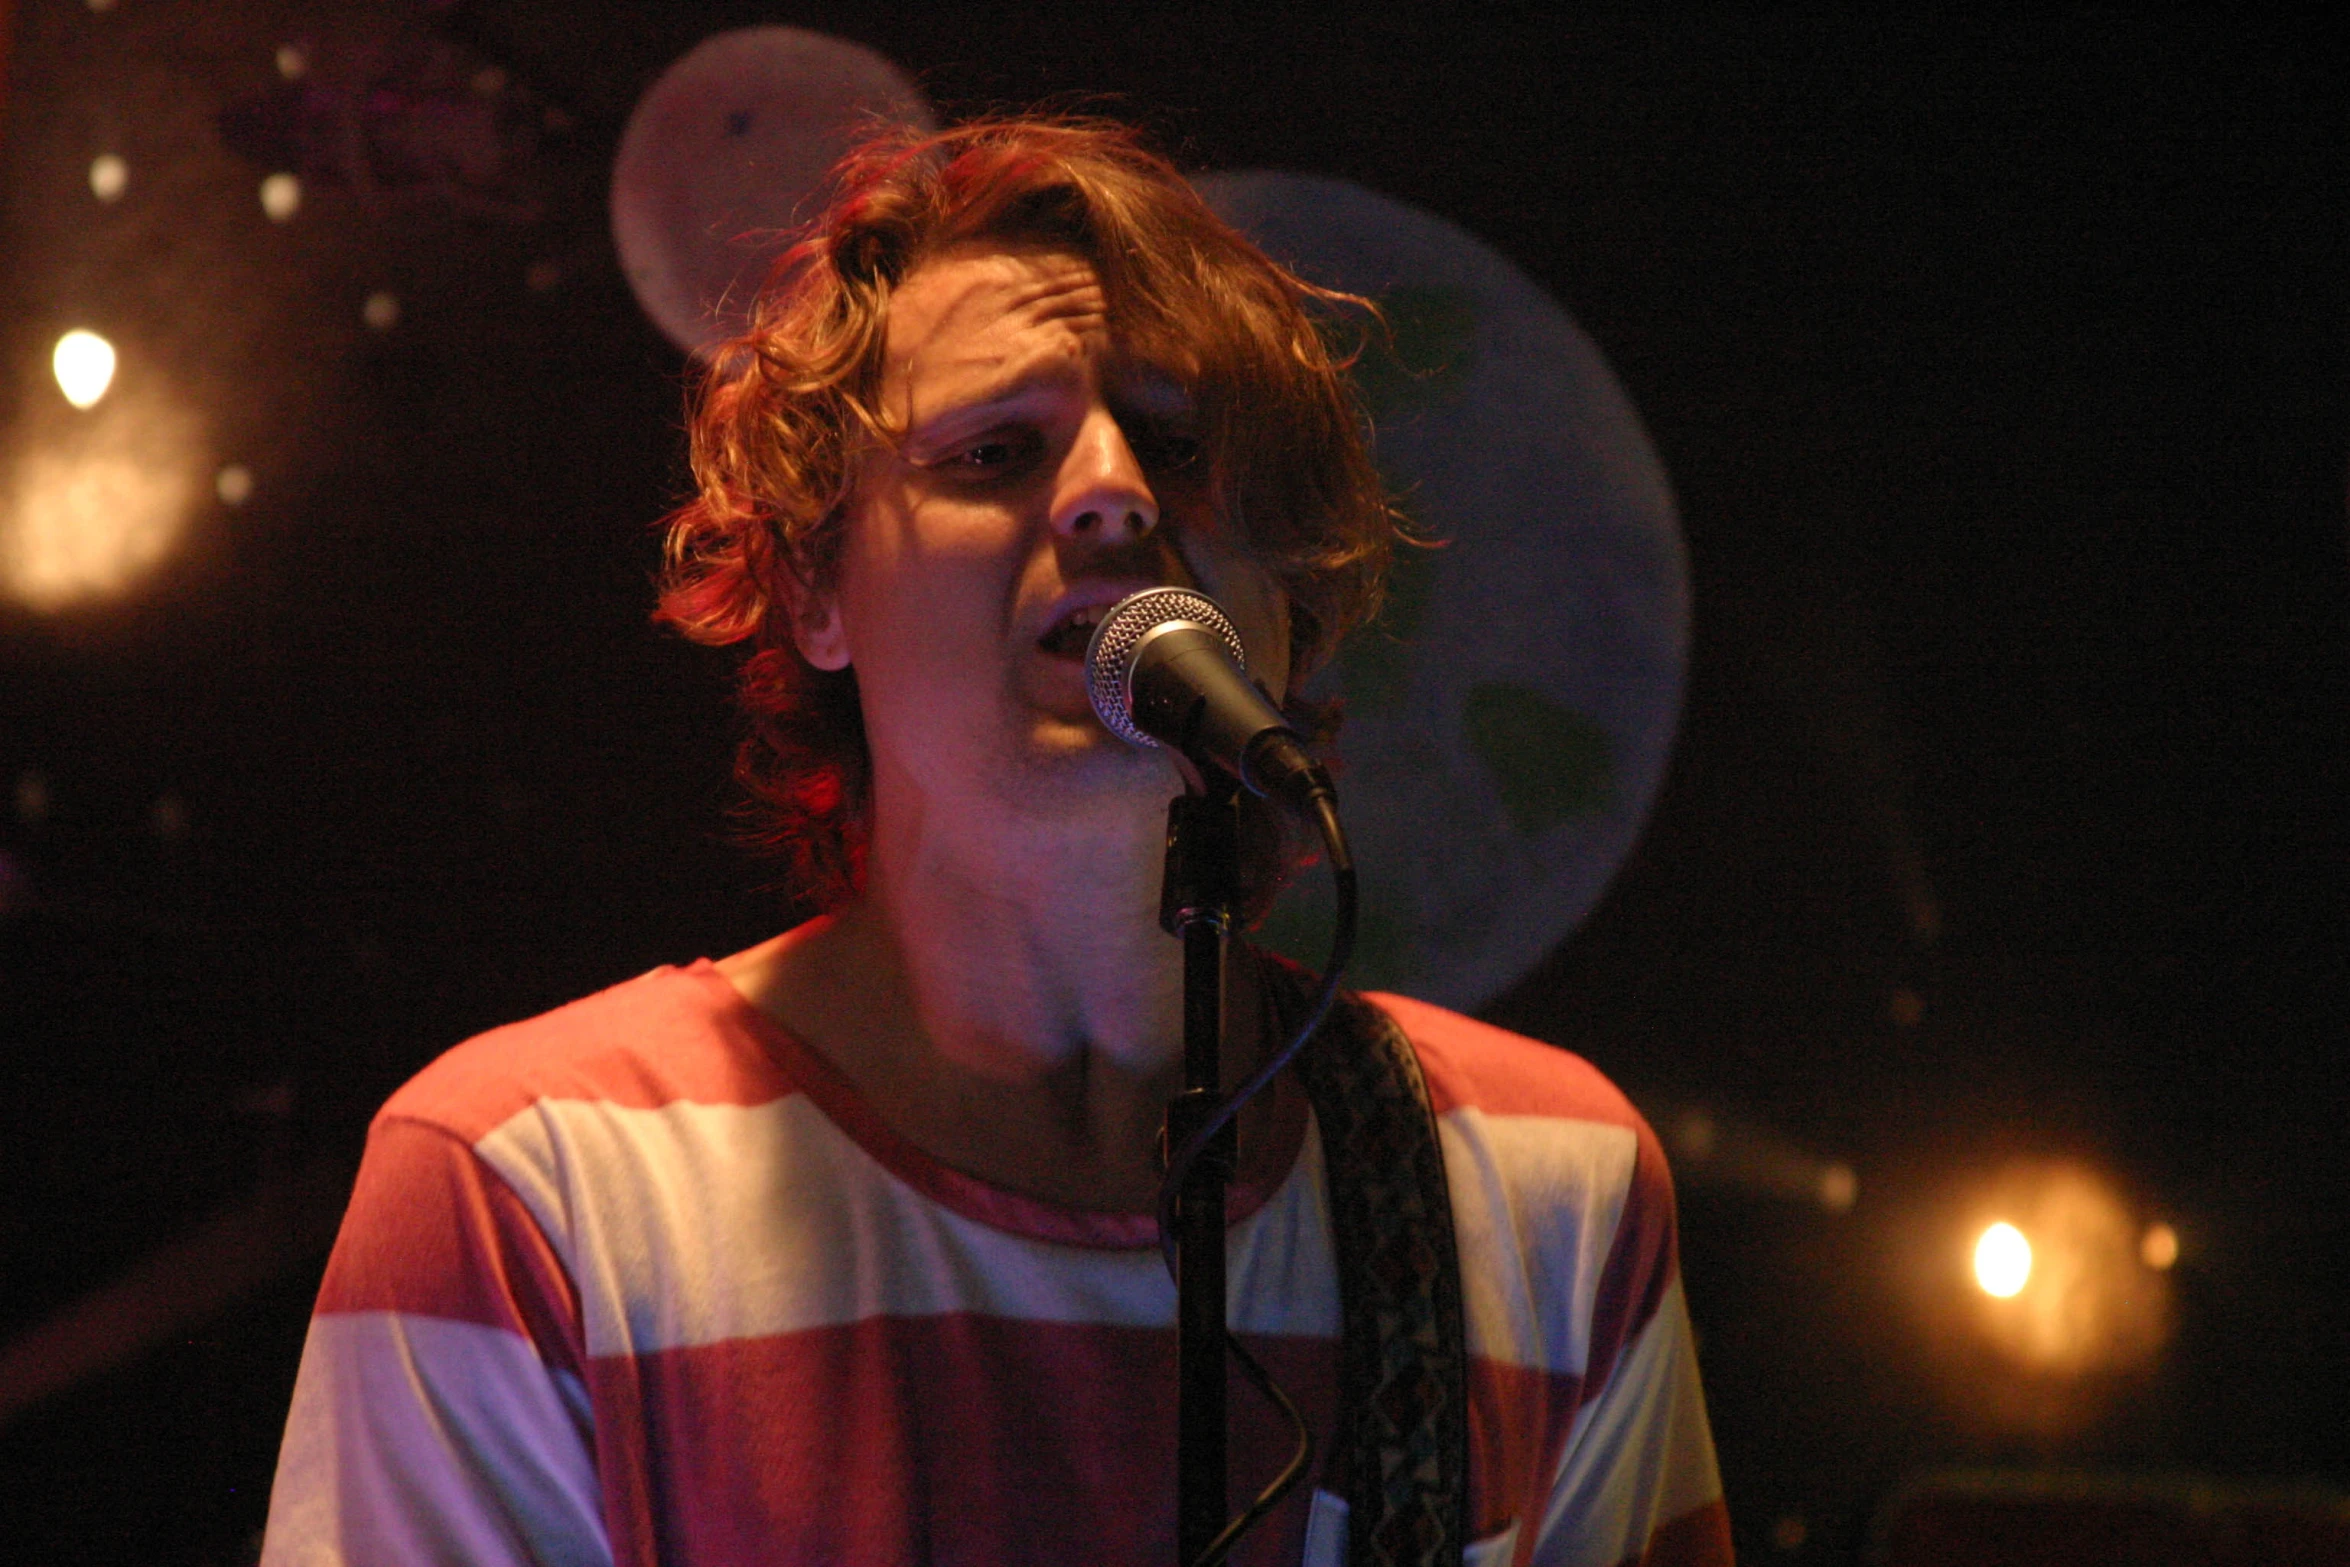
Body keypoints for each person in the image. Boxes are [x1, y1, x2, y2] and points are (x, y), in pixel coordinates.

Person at [260, 115, 1732, 1566]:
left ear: (1289, 600)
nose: (1110, 490)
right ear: (815, 589)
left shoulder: (1550, 1191)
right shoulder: (531, 1188)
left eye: (1178, 444)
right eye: (996, 450)